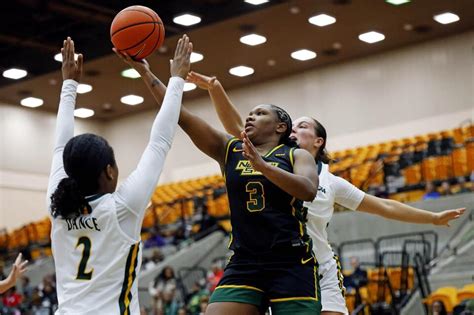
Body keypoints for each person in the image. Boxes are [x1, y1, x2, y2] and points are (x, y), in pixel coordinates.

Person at [185, 71, 466, 315]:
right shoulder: (267, 156)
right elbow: (238, 130)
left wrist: (432, 218)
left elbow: (384, 207)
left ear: (318, 141)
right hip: (272, 264)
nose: (294, 130)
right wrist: (215, 89)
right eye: (292, 126)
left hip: (317, 267)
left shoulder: (330, 182)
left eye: (302, 127)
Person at [115, 52, 321, 315]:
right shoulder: (230, 149)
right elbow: (181, 116)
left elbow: (308, 190)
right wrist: (146, 73)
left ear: (281, 127)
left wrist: (263, 167)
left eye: (259, 114)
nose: (250, 117)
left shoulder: (296, 155)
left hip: (291, 260)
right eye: (249, 113)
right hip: (245, 261)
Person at [46, 35, 191, 314]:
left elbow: (59, 147)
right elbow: (160, 141)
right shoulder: (122, 208)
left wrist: (69, 85)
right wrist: (177, 79)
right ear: (109, 171)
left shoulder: (57, 206)